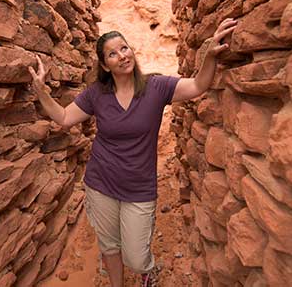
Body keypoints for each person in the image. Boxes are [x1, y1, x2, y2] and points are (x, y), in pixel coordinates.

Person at [29, 18, 237, 287]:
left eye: (124, 48)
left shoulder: (156, 87)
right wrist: (41, 91)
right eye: (112, 54)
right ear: (105, 65)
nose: (121, 56)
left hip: (139, 188)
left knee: (136, 257)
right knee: (110, 246)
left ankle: (146, 272)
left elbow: (198, 85)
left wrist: (209, 55)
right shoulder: (96, 94)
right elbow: (65, 117)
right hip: (101, 183)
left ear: (132, 51)